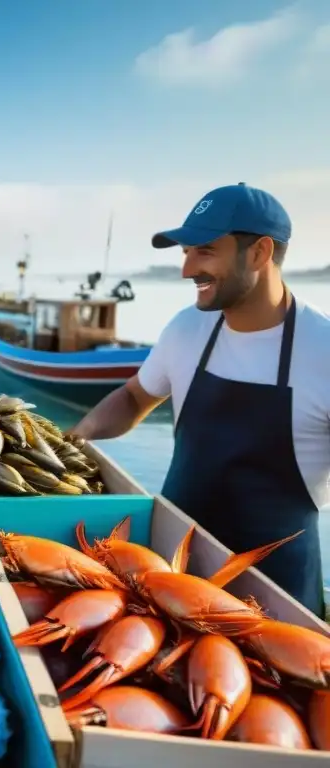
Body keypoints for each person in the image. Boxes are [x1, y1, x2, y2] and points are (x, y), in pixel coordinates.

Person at [69, 182, 330, 618]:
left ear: (260, 253)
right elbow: (134, 397)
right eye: (185, 252)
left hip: (277, 600)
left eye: (205, 251)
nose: (187, 269)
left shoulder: (323, 351)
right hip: (172, 573)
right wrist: (81, 435)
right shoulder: (186, 329)